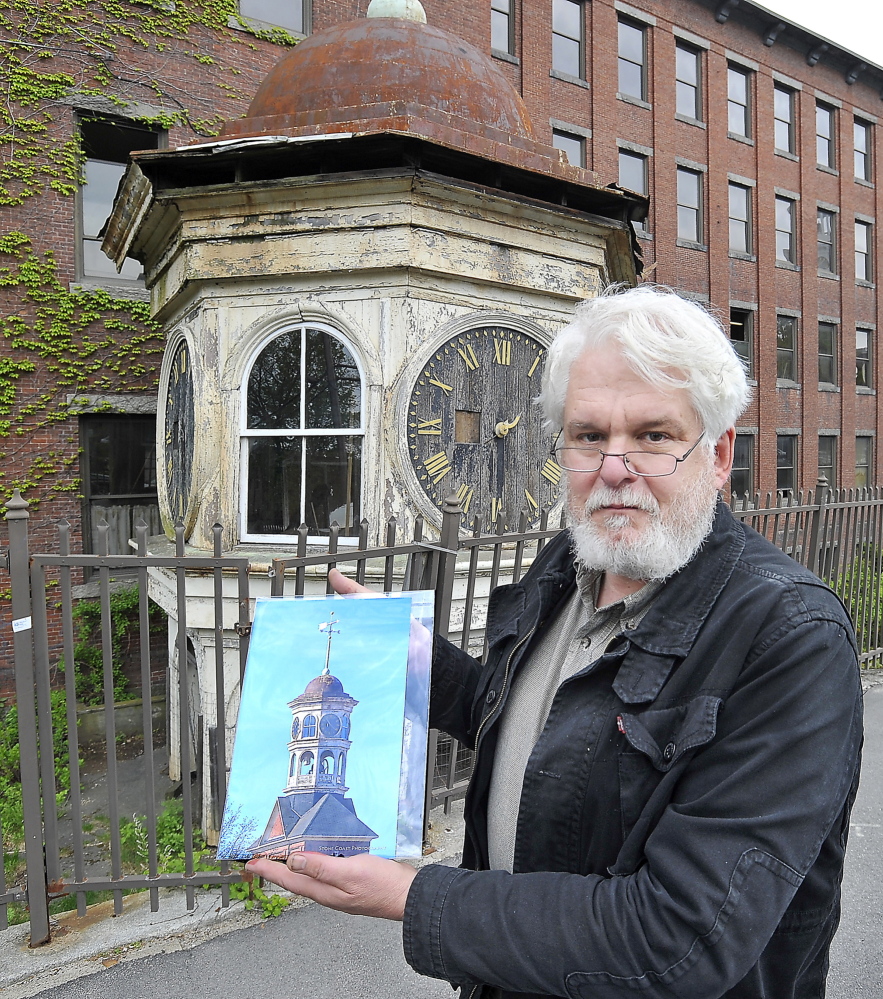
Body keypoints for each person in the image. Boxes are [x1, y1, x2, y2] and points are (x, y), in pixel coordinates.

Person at [247, 285, 863, 999]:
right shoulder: (571, 562)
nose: (613, 466)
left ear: (719, 454)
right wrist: (426, 668)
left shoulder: (788, 638)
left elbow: (678, 936)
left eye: (653, 436)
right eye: (588, 435)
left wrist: (413, 897)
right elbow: (539, 726)